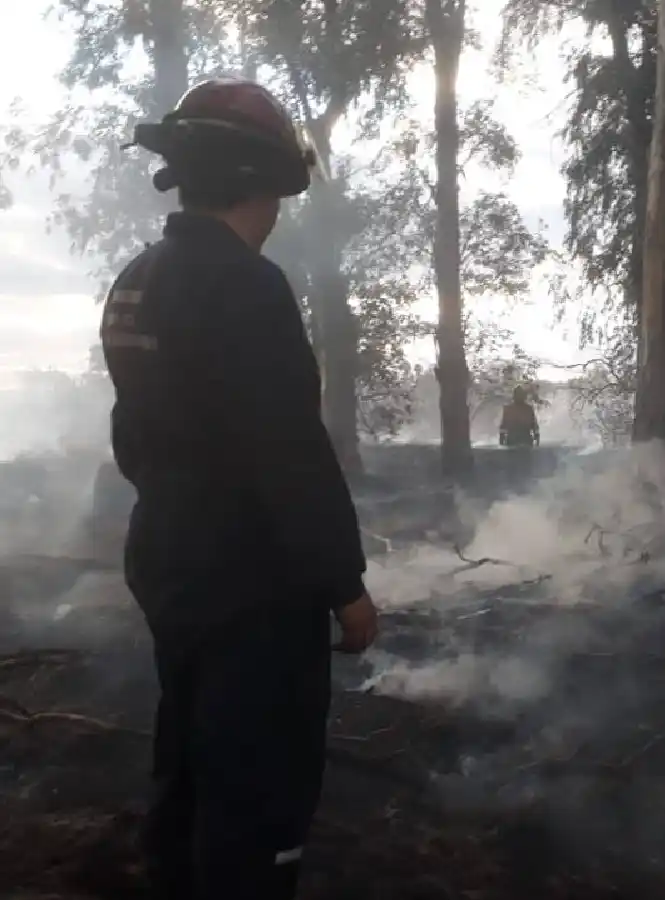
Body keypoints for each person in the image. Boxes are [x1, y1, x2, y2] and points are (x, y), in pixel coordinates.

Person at [102, 78, 380, 900]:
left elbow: (133, 435)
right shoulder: (248, 287)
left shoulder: (135, 280)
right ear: (263, 179)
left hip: (169, 560)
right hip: (255, 584)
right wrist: (345, 585)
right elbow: (286, 451)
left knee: (187, 753)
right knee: (258, 788)